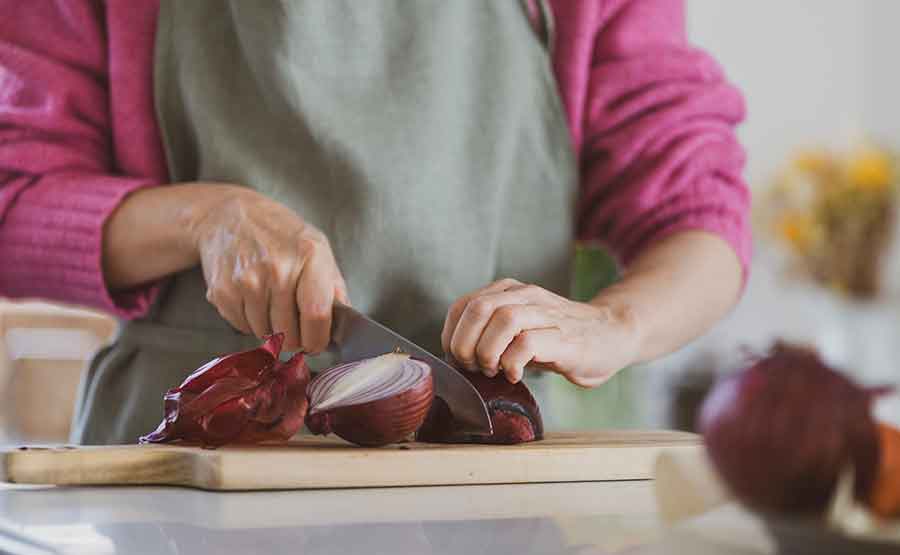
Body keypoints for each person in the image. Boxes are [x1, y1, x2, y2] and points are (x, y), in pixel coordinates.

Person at [0, 0, 750, 444]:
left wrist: (612, 325)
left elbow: (700, 213)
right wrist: (203, 217)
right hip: (186, 491)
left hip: (481, 497)